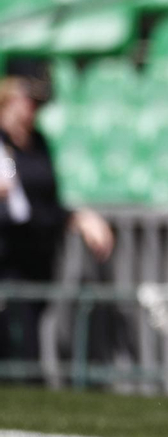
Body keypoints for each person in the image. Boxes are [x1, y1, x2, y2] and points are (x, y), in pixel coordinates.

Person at [0, 62, 114, 367]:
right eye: (29, 100)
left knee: (28, 355)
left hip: (36, 262)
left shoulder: (37, 143)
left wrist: (74, 217)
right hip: (6, 263)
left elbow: (43, 205)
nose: (33, 110)